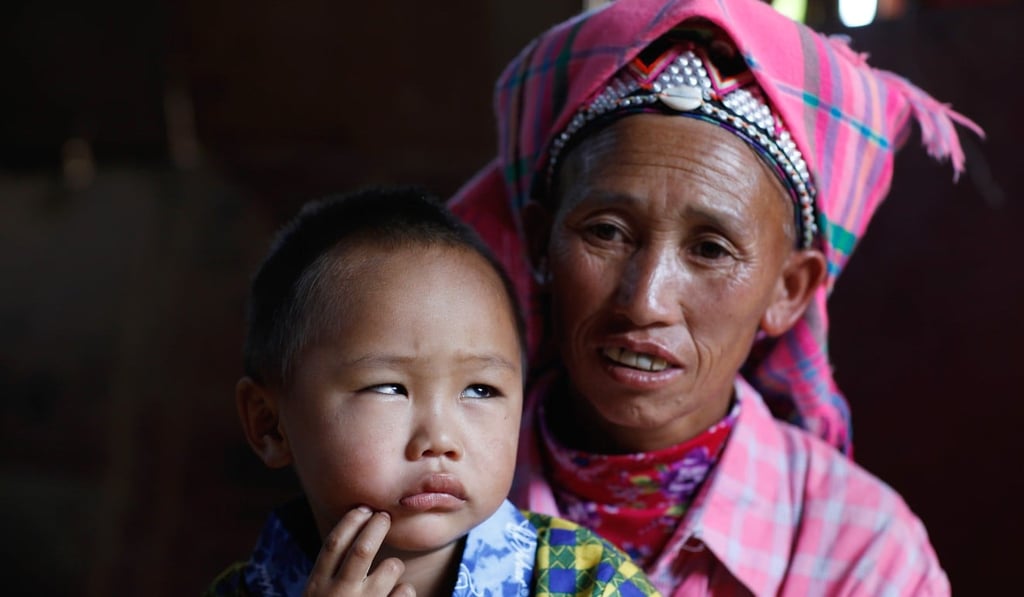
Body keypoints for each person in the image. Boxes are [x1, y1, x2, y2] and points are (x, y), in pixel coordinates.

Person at [450, 0, 982, 594]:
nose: (645, 302)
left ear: (789, 289)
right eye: (606, 232)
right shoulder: (425, 477)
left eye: (710, 249)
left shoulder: (864, 555)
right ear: (540, 243)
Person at [206, 187, 660, 596]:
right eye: (389, 388)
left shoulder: (590, 583)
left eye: (481, 389)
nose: (440, 440)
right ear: (270, 424)